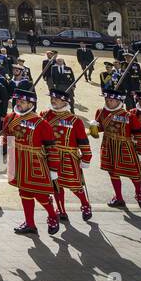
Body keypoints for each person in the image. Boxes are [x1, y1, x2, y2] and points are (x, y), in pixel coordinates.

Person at [1, 90, 59, 236]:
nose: (18, 104)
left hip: (35, 162)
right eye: (17, 101)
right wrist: (0, 146)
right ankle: (30, 224)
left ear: (31, 104)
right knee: (24, 192)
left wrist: (53, 169)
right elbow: (6, 135)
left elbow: (51, 148)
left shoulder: (42, 123)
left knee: (40, 194)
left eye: (22, 102)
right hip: (17, 160)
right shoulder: (10, 117)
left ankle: (52, 216)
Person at [42, 88, 93, 222]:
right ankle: (61, 210)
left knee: (75, 185)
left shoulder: (75, 120)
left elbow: (83, 140)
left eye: (56, 99)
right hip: (50, 156)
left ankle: (85, 204)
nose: (53, 101)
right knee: (56, 186)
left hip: (69, 157)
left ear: (65, 102)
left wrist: (86, 157)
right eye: (52, 98)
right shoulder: (44, 115)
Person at [94, 89, 141, 208]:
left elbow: (140, 134)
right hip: (108, 146)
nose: (108, 102)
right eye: (106, 100)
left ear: (119, 101)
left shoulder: (129, 116)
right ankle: (119, 197)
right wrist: (94, 128)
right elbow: (99, 129)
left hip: (125, 147)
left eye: (111, 100)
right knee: (112, 172)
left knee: (134, 173)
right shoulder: (101, 112)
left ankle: (139, 194)